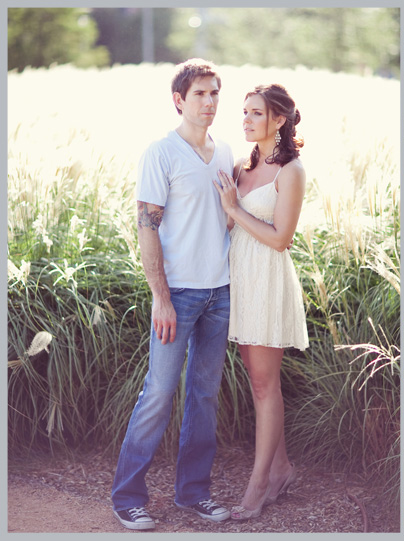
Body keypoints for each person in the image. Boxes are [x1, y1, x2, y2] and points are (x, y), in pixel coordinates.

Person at [111, 59, 233, 530]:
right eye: (200, 94)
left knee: (204, 395)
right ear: (180, 100)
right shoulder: (160, 153)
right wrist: (160, 297)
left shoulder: (223, 153)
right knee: (159, 393)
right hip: (177, 296)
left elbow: (223, 220)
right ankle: (127, 497)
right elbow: (147, 229)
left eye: (215, 93)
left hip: (218, 294)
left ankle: (192, 493)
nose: (210, 102)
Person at [213, 84, 308, 520]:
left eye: (256, 113)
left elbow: (280, 238)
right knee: (257, 381)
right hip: (242, 281)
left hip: (269, 281)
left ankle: (258, 484)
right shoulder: (240, 166)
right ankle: (281, 469)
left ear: (279, 120)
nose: (246, 120)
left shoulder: (291, 171)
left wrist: (234, 211)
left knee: (266, 385)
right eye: (245, 112)